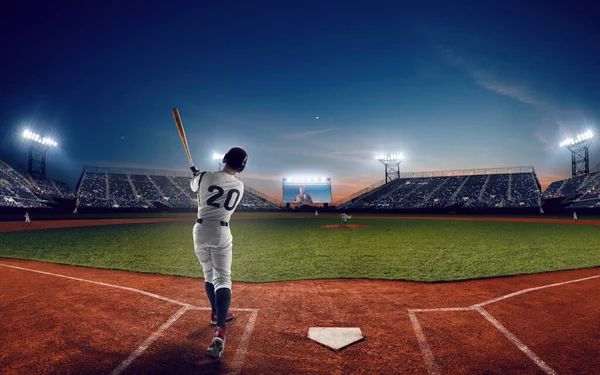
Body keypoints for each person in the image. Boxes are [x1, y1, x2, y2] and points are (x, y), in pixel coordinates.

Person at [190, 146, 248, 360]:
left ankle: (216, 313)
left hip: (200, 229)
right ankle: (220, 329)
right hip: (222, 229)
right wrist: (200, 176)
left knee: (208, 274)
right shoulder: (240, 186)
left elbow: (194, 186)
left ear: (224, 158)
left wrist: (196, 175)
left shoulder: (205, 175)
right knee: (222, 278)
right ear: (242, 167)